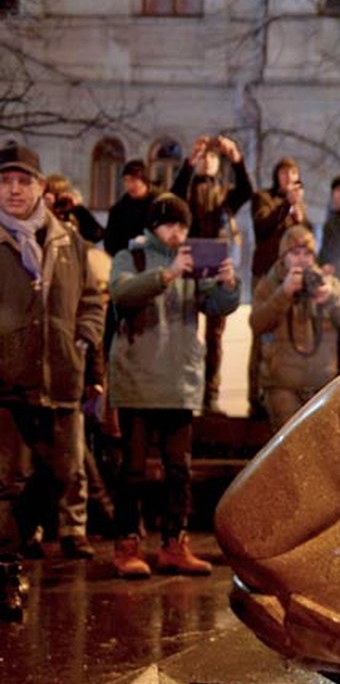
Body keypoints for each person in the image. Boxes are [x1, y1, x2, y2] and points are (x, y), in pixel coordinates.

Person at [107, 193, 240, 577]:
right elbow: (122, 293)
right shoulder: (129, 257)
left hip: (179, 381)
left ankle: (174, 543)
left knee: (179, 470)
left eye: (182, 226)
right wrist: (167, 274)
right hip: (136, 379)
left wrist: (228, 285)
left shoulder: (192, 262)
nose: (176, 232)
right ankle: (127, 544)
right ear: (153, 226)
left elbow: (214, 306)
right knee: (132, 470)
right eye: (170, 224)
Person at [0, 141, 106, 620]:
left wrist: (84, 339)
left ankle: (13, 553)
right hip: (7, 381)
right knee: (7, 483)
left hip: (60, 377)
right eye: (5, 181)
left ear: (41, 188)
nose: (14, 190)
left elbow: (92, 299)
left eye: (24, 181)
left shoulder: (69, 242)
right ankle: (5, 572)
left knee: (60, 475)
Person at [171, 134, 253, 414]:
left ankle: (211, 395)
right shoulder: (188, 188)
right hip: (190, 257)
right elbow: (174, 194)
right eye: (203, 158)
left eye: (212, 158)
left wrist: (236, 157)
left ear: (219, 164)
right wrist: (188, 162)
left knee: (215, 335)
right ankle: (185, 390)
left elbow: (247, 190)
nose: (207, 162)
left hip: (217, 260)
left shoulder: (226, 192)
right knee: (186, 328)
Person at [251, 224, 340, 428]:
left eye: (307, 253)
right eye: (295, 253)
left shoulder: (327, 283)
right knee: (288, 451)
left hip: (323, 386)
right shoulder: (269, 284)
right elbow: (257, 324)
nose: (302, 258)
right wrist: (283, 294)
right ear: (284, 256)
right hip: (282, 386)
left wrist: (332, 298)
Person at [246, 157, 310, 416]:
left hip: (292, 276)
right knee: (262, 334)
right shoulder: (264, 198)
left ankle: (286, 391)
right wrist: (286, 205)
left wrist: (300, 215)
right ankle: (255, 395)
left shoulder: (299, 207)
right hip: (266, 275)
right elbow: (262, 226)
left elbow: (305, 237)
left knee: (289, 334)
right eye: (284, 173)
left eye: (293, 173)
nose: (288, 177)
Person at [104, 159, 155, 256]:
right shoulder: (119, 210)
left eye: (134, 180)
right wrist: (130, 244)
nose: (129, 186)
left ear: (144, 181)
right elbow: (110, 244)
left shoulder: (161, 204)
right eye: (126, 181)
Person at [43, 175, 105, 245]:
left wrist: (79, 209)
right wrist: (46, 208)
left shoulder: (73, 213)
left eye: (62, 191)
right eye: (55, 193)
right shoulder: (42, 213)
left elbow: (98, 234)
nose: (58, 198)